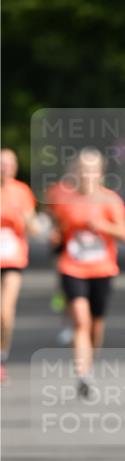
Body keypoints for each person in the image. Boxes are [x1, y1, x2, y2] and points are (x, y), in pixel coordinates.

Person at [47, 148, 125, 396]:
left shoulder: (110, 200)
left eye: (92, 170)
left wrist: (102, 226)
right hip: (72, 267)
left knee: (96, 325)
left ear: (101, 173)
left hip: (102, 268)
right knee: (81, 321)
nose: (87, 174)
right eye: (83, 169)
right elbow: (58, 230)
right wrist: (56, 237)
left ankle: (90, 366)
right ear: (76, 172)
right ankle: (83, 374)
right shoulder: (65, 200)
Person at [1, 148, 36, 381]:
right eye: (1, 164)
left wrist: (22, 218)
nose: (5, 168)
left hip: (12, 258)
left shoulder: (22, 192)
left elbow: (33, 228)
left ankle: (1, 354)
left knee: (5, 311)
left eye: (9, 164)